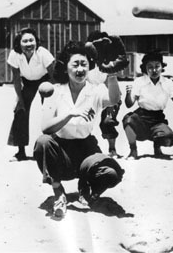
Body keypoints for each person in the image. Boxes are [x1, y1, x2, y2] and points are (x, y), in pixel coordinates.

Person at [33, 41, 124, 218]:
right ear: (66, 67)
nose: (80, 69)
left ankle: (86, 187)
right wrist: (70, 114)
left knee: (112, 173)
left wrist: (112, 74)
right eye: (75, 64)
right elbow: (45, 128)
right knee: (42, 143)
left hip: (86, 148)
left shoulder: (95, 90)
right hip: (61, 152)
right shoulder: (55, 91)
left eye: (84, 64)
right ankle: (59, 192)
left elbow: (113, 99)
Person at [122, 51, 173, 160]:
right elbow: (129, 104)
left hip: (158, 119)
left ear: (162, 67)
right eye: (150, 67)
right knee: (128, 120)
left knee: (168, 138)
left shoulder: (168, 83)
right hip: (141, 117)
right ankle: (133, 151)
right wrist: (128, 94)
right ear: (145, 68)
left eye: (157, 66)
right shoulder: (139, 82)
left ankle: (157, 148)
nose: (154, 70)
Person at [7, 28, 54, 161]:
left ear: (36, 41)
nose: (29, 44)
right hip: (27, 82)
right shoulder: (14, 55)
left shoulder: (43, 53)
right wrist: (20, 100)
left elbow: (53, 75)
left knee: (51, 112)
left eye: (31, 40)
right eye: (25, 41)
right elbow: (16, 79)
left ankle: (53, 150)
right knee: (19, 111)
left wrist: (54, 97)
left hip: (45, 80)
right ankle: (20, 152)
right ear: (19, 43)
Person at [86, 31, 122, 158]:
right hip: (90, 96)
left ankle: (112, 149)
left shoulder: (108, 61)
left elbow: (111, 85)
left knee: (108, 121)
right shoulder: (85, 61)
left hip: (108, 95)